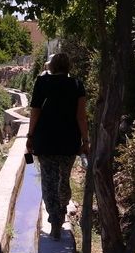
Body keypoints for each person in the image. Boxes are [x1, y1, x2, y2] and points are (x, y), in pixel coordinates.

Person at [25, 53, 89, 239]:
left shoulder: (42, 82)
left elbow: (35, 112)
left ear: (51, 66)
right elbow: (81, 116)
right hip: (69, 141)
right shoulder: (77, 85)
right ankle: (61, 212)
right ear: (68, 66)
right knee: (64, 179)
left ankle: (55, 220)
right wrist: (86, 141)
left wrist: (30, 136)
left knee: (48, 181)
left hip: (45, 140)